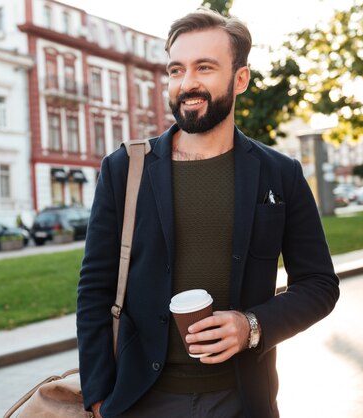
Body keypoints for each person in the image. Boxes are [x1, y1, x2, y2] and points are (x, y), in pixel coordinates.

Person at [77, 8, 339, 418]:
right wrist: (97, 396)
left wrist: (251, 326)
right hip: (138, 401)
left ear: (241, 78)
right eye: (176, 70)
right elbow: (94, 289)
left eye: (204, 68)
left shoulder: (280, 173)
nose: (188, 83)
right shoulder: (124, 169)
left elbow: (320, 284)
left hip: (241, 400)